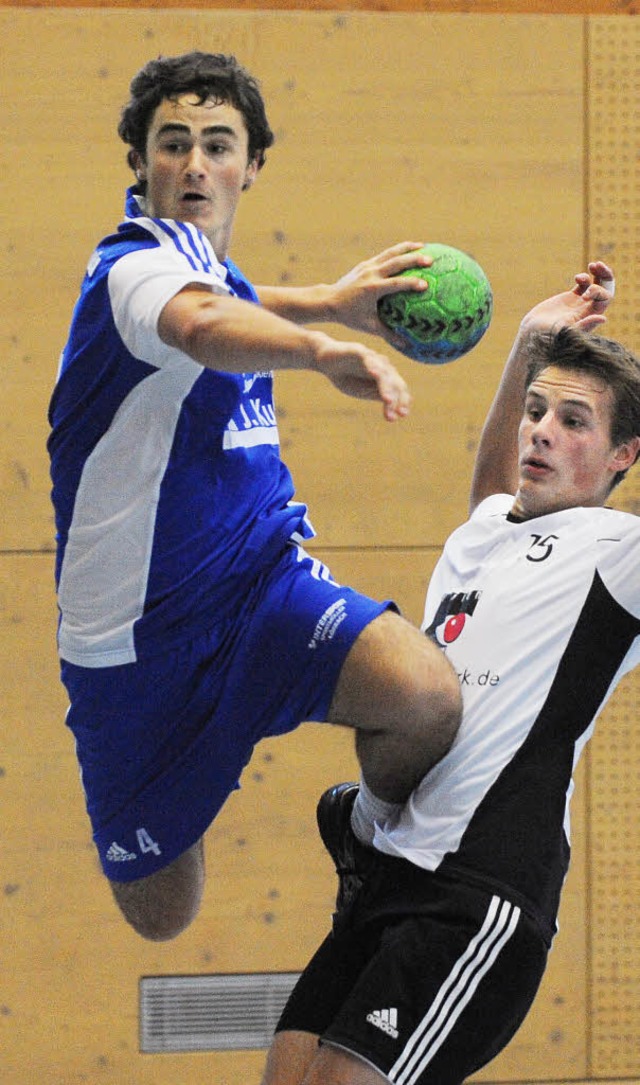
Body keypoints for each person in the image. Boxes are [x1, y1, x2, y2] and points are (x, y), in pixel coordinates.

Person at [47, 51, 462, 942]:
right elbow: (200, 322)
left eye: (217, 144)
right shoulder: (132, 269)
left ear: (251, 166)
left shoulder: (204, 268)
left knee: (425, 693)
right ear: (141, 165)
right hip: (135, 648)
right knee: (165, 915)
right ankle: (184, 770)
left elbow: (228, 293)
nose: (194, 163)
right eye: (173, 144)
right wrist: (315, 352)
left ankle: (371, 863)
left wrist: (329, 302)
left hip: (257, 587)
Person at [261, 262, 640, 1085]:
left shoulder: (620, 554)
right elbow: (491, 487)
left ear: (623, 455)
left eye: (574, 421)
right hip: (393, 869)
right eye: (538, 411)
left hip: (481, 888)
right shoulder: (485, 530)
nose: (540, 429)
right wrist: (526, 348)